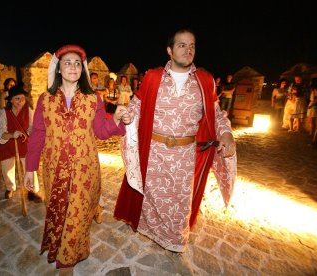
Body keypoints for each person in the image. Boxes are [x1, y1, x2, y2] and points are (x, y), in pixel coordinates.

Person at [114, 28, 237, 253]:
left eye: (192, 46)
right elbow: (136, 105)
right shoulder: (153, 77)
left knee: (179, 204)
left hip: (185, 155)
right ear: (170, 50)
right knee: (150, 197)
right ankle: (149, 231)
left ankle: (174, 241)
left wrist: (226, 133)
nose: (188, 50)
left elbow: (216, 113)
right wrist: (127, 115)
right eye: (182, 45)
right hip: (154, 152)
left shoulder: (205, 81)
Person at [23, 44, 126, 275]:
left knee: (76, 214)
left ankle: (67, 261)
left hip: (84, 168)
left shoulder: (93, 100)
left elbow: (100, 131)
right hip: (53, 168)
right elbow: (38, 135)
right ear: (59, 69)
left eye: (77, 63)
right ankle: (65, 242)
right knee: (58, 209)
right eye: (67, 63)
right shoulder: (45, 100)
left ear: (82, 69)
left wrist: (117, 119)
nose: (72, 67)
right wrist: (30, 168)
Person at [0, 85, 42, 202]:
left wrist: (30, 134)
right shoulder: (3, 113)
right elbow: (0, 133)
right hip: (6, 143)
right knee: (8, 166)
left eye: (22, 98)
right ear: (10, 100)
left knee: (29, 166)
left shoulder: (28, 110)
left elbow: (31, 127)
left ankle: (32, 191)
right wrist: (11, 135)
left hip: (23, 141)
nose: (21, 101)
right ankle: (10, 187)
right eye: (17, 98)